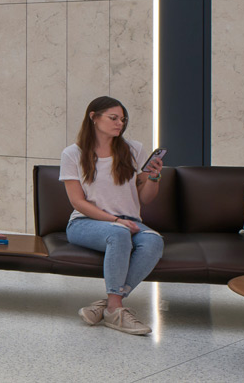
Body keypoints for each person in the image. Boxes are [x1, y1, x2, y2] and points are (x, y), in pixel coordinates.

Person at [60, 95, 165, 335]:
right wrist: (116, 221)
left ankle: (109, 305)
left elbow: (146, 198)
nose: (120, 123)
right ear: (93, 118)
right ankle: (116, 311)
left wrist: (155, 177)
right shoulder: (72, 154)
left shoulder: (133, 149)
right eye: (113, 118)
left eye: (123, 119)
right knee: (118, 234)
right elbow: (78, 201)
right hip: (85, 223)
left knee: (153, 241)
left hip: (128, 222)